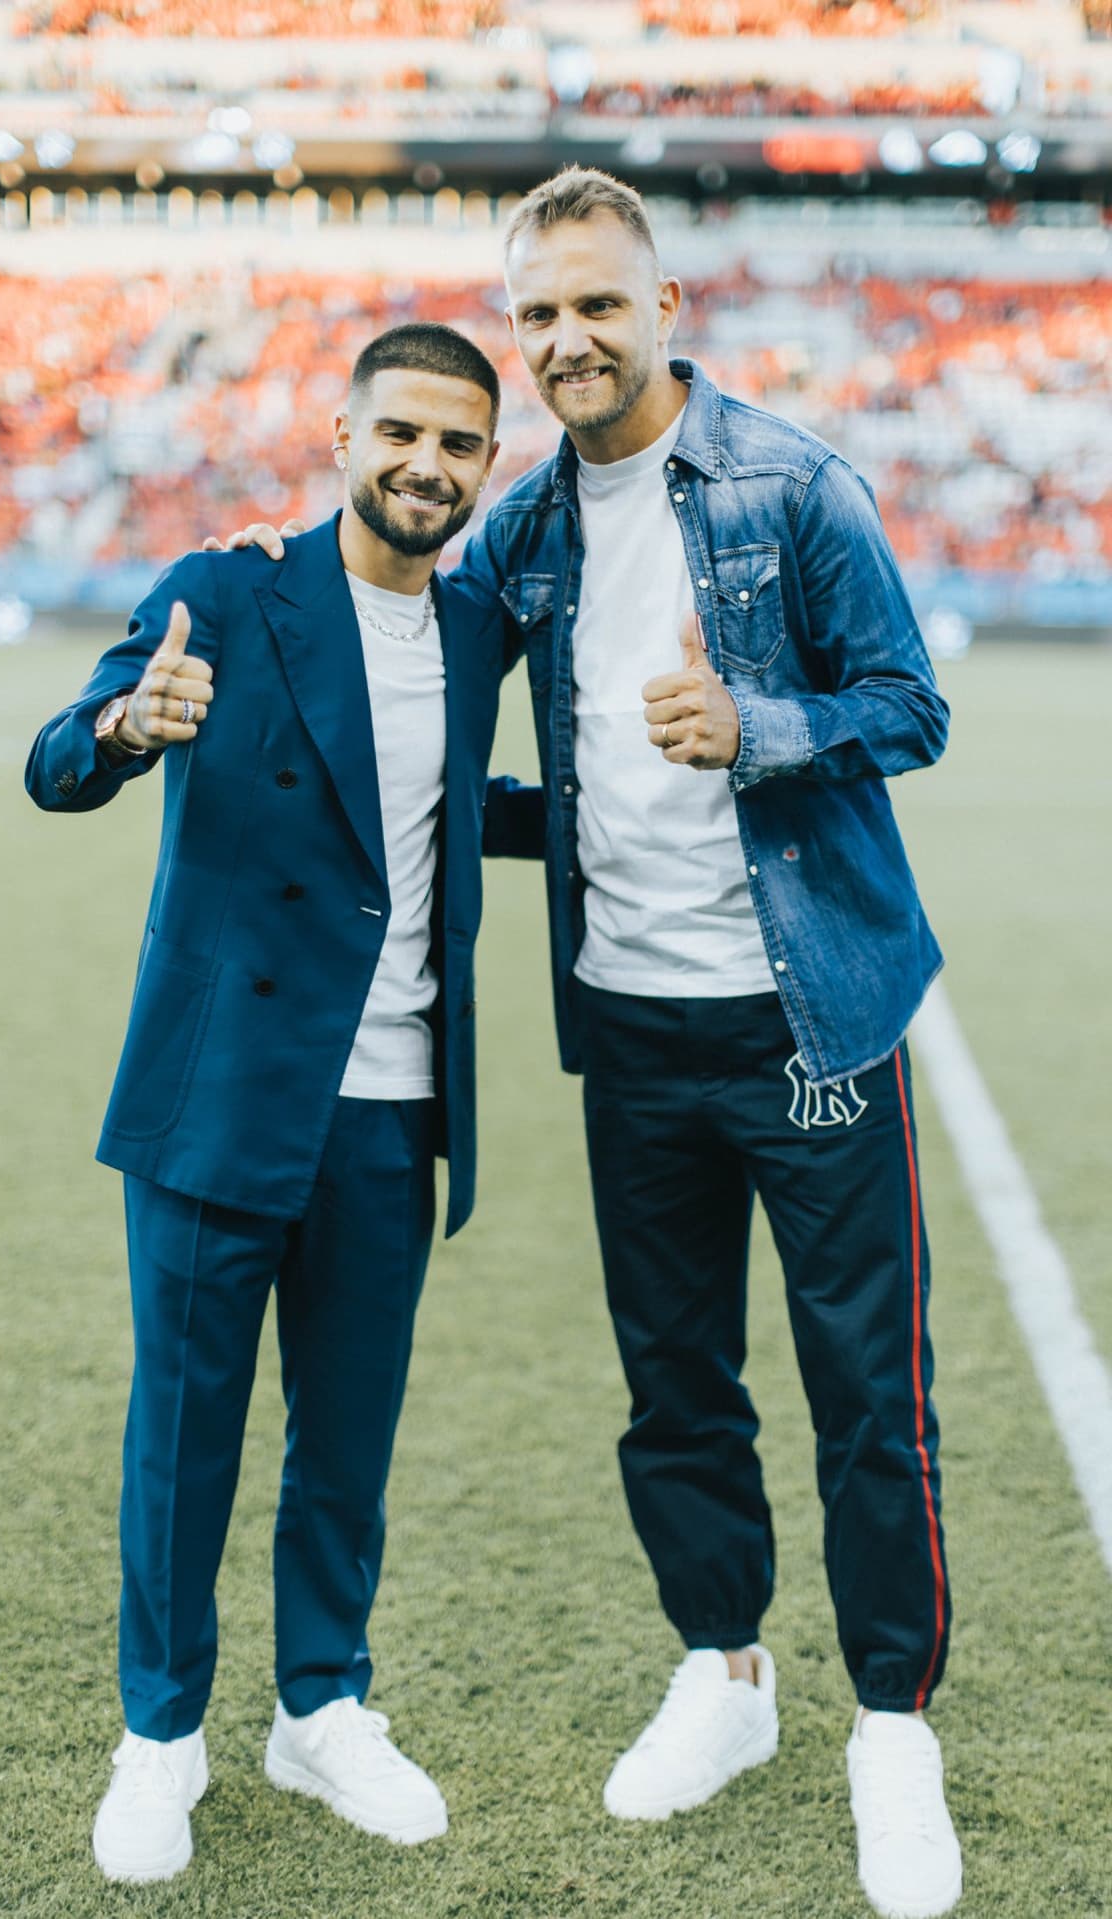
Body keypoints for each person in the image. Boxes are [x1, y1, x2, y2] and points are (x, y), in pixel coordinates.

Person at [225, 170, 960, 1919]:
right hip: (630, 1027)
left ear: (666, 306)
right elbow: (397, 615)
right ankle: (725, 1676)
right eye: (537, 313)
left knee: (870, 1394)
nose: (566, 340)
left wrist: (755, 724)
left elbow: (911, 708)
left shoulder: (794, 483)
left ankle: (888, 1731)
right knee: (677, 1389)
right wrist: (273, 575)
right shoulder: (528, 528)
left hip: (813, 1018)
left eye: (597, 306)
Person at [25, 323, 540, 1884]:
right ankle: (158, 1741)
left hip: (390, 1108)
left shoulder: (476, 631)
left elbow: (438, 812)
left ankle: (320, 1708)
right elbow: (57, 760)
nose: (426, 466)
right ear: (339, 431)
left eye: (459, 445)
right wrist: (127, 729)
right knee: (184, 1436)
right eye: (400, 433)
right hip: (220, 1097)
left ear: (485, 466)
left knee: (347, 1445)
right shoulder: (231, 590)